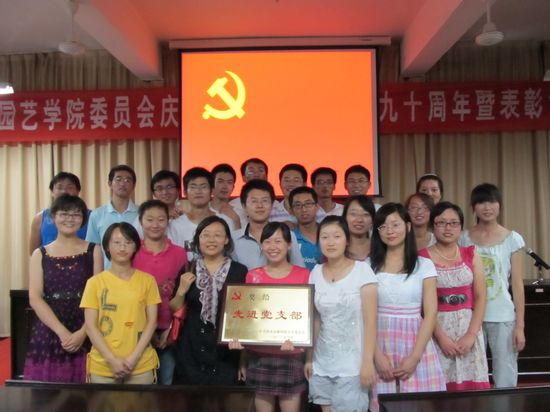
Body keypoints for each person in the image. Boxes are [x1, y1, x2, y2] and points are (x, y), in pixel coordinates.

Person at [369, 203, 445, 404]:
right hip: (378, 341)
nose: (389, 231)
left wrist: (415, 357)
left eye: (395, 224)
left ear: (408, 226)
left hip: (415, 343)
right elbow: (363, 315)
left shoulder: (424, 265)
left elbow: (431, 313)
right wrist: (376, 355)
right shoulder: (367, 266)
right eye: (383, 226)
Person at [230, 222, 310, 412]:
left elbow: (310, 319)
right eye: (267, 241)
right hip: (258, 357)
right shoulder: (252, 276)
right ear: (261, 245)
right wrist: (243, 359)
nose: (272, 246)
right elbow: (247, 321)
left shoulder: (304, 275)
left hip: (291, 356)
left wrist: (308, 357)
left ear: (289, 245)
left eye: (278, 241)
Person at [24, 194, 103, 383]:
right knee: (49, 390)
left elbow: (99, 295)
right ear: (53, 217)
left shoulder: (94, 250)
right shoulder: (40, 254)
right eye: (64, 214)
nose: (70, 219)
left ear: (83, 219)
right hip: (50, 327)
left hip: (86, 323)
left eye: (76, 214)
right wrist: (62, 332)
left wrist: (83, 332)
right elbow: (35, 297)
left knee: (86, 390)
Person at [306, 216, 378, 412]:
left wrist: (367, 362)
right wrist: (309, 358)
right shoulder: (315, 272)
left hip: (352, 365)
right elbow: (315, 319)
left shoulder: (362, 271)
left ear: (347, 240)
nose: (330, 242)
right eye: (324, 237)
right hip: (322, 362)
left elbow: (371, 321)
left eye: (336, 236)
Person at [460, 183, 526, 388]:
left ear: (500, 205)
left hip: (503, 316)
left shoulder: (513, 239)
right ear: (473, 207)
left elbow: (517, 285)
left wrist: (520, 326)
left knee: (505, 375)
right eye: (481, 202)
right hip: (470, 316)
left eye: (492, 202)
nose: (487, 207)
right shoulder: (463, 238)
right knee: (470, 373)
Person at [419, 201, 489, 390]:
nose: (447, 228)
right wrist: (441, 337)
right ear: (433, 225)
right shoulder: (422, 258)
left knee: (473, 393)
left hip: (468, 328)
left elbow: (481, 297)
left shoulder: (471, 254)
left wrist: (471, 334)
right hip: (436, 329)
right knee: (440, 391)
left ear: (461, 227)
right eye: (441, 223)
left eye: (453, 223)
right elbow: (423, 305)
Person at [170, 216, 248, 385]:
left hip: (226, 353)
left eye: (217, 235)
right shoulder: (188, 268)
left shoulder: (239, 271)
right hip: (191, 351)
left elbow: (245, 315)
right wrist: (182, 290)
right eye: (205, 235)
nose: (211, 240)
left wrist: (243, 358)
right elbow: (174, 308)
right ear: (198, 239)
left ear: (226, 240)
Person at [81, 222, 161, 384]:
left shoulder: (148, 281)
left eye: (128, 242)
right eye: (116, 242)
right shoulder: (94, 283)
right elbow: (90, 326)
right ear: (107, 247)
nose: (122, 247)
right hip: (103, 365)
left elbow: (152, 322)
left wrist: (133, 359)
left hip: (140, 364)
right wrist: (111, 360)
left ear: (136, 246)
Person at [132, 200, 188, 385]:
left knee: (167, 384)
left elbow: (183, 294)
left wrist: (171, 329)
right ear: (140, 221)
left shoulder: (180, 253)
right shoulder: (132, 252)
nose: (155, 225)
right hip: (137, 330)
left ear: (168, 221)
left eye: (161, 219)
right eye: (149, 219)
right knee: (140, 387)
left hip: (169, 331)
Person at [232, 179, 305, 269]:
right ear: (244, 206)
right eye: (254, 201)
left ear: (272, 205)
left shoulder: (288, 235)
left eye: (265, 201)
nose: (260, 206)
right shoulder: (233, 239)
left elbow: (299, 270)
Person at [170, 167, 235, 253]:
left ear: (212, 191)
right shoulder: (175, 225)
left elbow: (231, 253)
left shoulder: (226, 221)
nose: (198, 191)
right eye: (193, 187)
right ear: (185, 192)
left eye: (203, 187)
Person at [86, 165, 139, 268]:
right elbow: (92, 249)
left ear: (133, 186)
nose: (123, 183)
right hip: (106, 273)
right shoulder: (96, 214)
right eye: (118, 179)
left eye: (127, 180)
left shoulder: (141, 213)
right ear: (110, 183)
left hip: (136, 273)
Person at [29, 172, 90, 255]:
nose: (64, 191)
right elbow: (33, 252)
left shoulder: (92, 216)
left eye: (69, 187)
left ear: (78, 191)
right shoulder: (40, 218)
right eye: (59, 187)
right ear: (52, 192)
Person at [133, 170, 185, 239]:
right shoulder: (144, 216)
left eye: (169, 187)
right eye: (159, 188)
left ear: (178, 190)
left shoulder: (183, 216)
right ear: (154, 193)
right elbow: (133, 239)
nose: (165, 192)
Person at [229, 158, 269, 227]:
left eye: (260, 170)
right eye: (251, 171)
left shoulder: (276, 206)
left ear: (266, 177)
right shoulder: (232, 206)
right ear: (244, 178)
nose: (256, 174)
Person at [290, 187, 321, 271]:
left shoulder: (329, 234)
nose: (303, 209)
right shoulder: (289, 238)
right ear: (291, 210)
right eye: (298, 205)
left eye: (308, 204)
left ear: (317, 206)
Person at [343, 195, 375, 262]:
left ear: (372, 220)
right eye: (353, 214)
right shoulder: (336, 249)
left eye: (365, 214)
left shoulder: (380, 248)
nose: (359, 220)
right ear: (345, 217)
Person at [210, 163, 241, 230]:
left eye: (229, 182)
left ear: (233, 187)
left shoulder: (239, 213)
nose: (225, 186)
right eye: (220, 181)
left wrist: (236, 220)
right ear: (211, 184)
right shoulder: (202, 210)